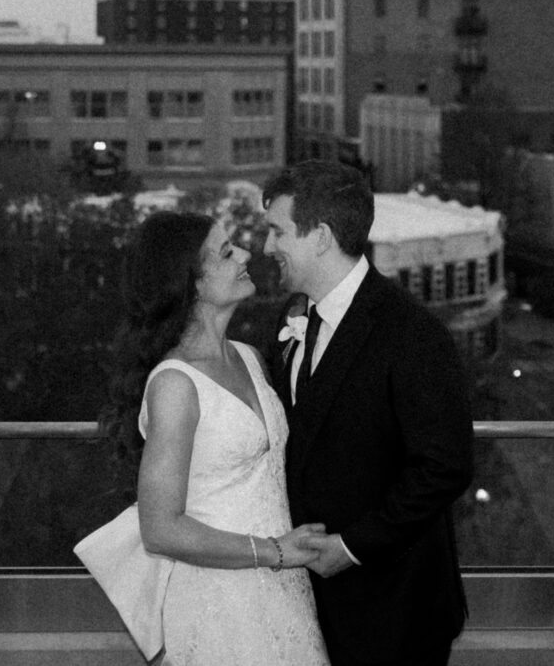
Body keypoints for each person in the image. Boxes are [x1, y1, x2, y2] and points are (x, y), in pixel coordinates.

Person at [262, 160, 474, 666]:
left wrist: (353, 546)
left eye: (277, 231)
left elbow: (444, 466)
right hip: (313, 607)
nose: (267, 247)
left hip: (395, 609)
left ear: (320, 236)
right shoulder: (291, 320)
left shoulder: (412, 333)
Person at [104, 210, 331, 666]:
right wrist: (275, 551)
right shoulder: (175, 384)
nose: (246, 254)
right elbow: (160, 529)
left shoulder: (249, 357)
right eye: (227, 253)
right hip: (219, 600)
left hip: (284, 588)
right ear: (191, 285)